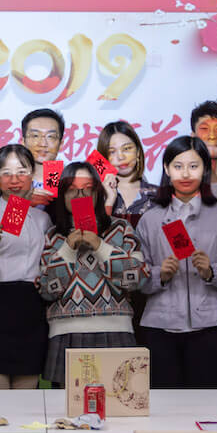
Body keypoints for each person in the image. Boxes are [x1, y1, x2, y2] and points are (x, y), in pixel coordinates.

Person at [136, 135, 217, 388]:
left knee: (207, 401)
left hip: (213, 325)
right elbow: (137, 276)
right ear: (166, 169)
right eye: (178, 166)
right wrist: (160, 274)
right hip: (161, 324)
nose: (185, 173)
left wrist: (211, 272)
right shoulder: (150, 220)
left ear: (205, 169)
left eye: (193, 166)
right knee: (164, 402)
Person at [38, 161, 148, 385]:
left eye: (87, 188)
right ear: (62, 195)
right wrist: (68, 249)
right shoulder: (52, 236)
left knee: (119, 404)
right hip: (66, 334)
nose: (80, 195)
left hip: (116, 330)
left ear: (98, 192)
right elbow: (47, 290)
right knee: (68, 406)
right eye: (71, 189)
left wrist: (100, 246)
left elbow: (139, 279)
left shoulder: (121, 228)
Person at [0, 144, 51, 387]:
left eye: (22, 172)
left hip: (33, 310)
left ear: (33, 175)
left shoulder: (44, 220)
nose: (14, 180)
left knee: (26, 401)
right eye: (6, 173)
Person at [97, 120, 159, 226]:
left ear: (138, 152)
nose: (121, 157)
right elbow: (84, 234)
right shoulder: (89, 194)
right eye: (112, 152)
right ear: (104, 158)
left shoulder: (159, 195)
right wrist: (108, 202)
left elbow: (179, 236)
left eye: (126, 149)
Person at [21, 108, 66, 206]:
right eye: (35, 136)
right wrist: (23, 203)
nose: (43, 144)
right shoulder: (13, 180)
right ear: (23, 142)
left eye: (50, 136)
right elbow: (2, 216)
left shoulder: (74, 180)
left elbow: (86, 216)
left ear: (61, 144)